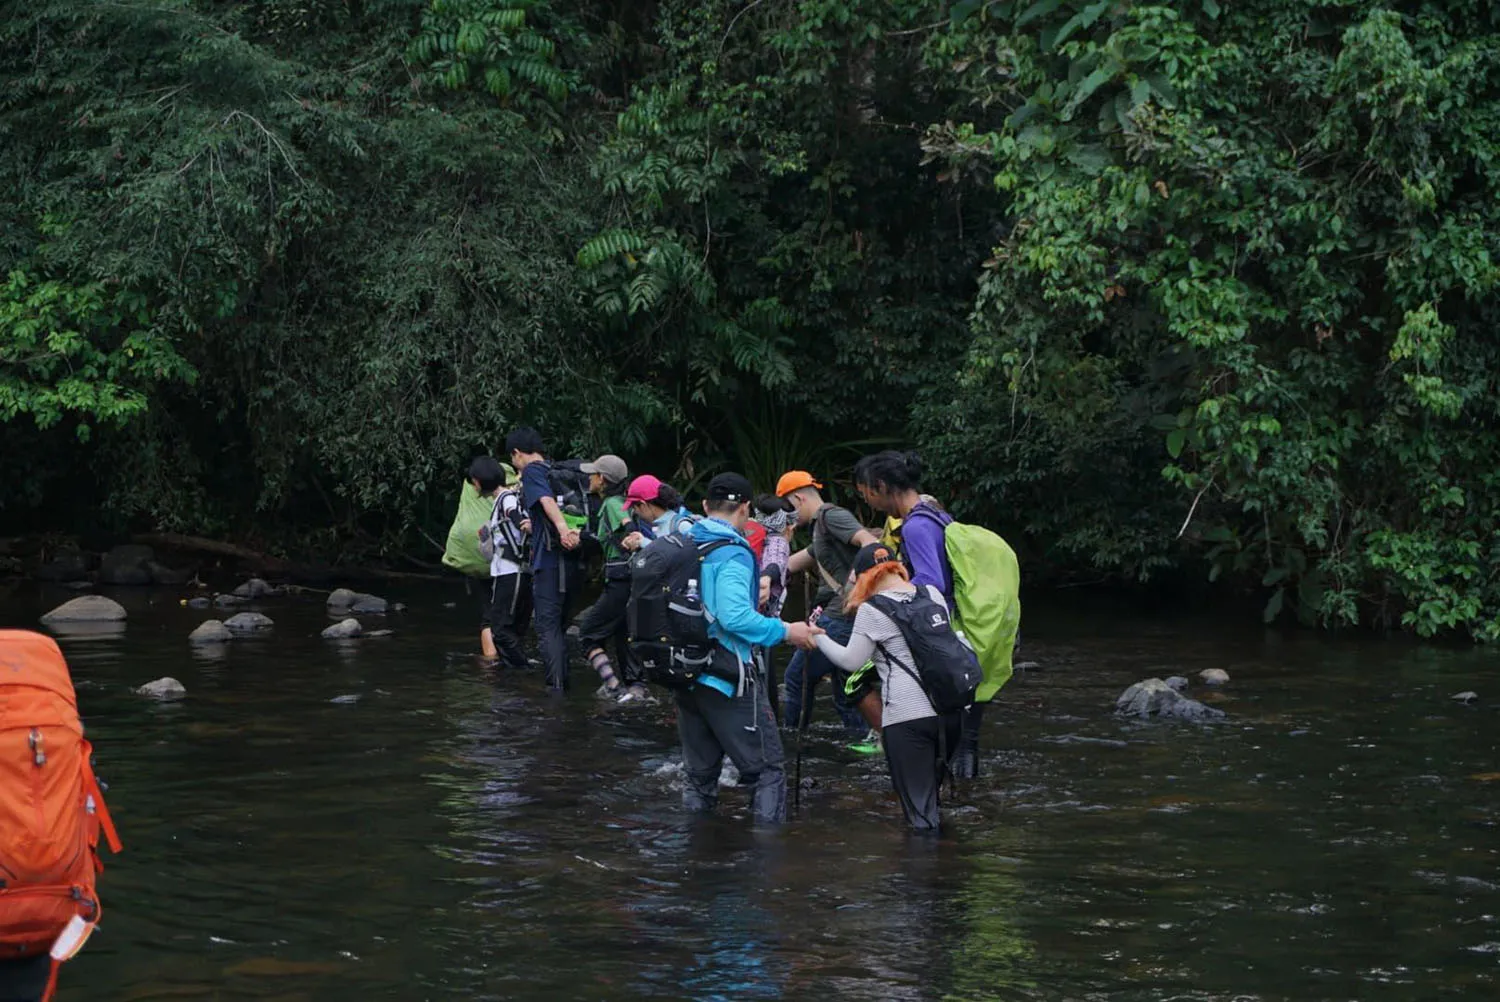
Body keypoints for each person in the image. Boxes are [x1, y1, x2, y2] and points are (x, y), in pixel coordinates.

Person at [676, 473, 821, 824]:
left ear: (706, 506)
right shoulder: (733, 552)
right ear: (745, 508)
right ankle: (767, 868)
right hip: (726, 675)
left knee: (699, 779)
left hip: (683, 671)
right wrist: (788, 630)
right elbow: (735, 617)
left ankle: (696, 862)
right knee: (767, 771)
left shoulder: (684, 542)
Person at [853, 450, 984, 779]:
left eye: (866, 491)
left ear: (881, 486)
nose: (867, 499)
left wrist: (889, 589)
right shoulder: (937, 515)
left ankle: (901, 749)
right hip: (953, 629)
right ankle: (951, 790)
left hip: (934, 632)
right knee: (962, 733)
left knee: (852, 681)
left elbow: (933, 583)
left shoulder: (915, 527)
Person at [813, 543, 961, 832]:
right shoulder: (931, 594)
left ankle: (921, 872)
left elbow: (852, 662)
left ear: (863, 577)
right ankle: (948, 869)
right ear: (896, 568)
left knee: (919, 815)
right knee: (935, 801)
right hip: (950, 711)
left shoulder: (872, 609)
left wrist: (818, 636)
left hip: (906, 717)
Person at [776, 470, 880, 750]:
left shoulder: (831, 516)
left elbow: (871, 543)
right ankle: (866, 743)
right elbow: (802, 559)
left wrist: (853, 582)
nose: (787, 517)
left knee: (797, 678)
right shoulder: (820, 528)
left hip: (841, 616)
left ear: (798, 499)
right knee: (844, 689)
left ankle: (791, 741)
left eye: (787, 509)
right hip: (843, 616)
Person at [507, 427, 581, 692]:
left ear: (517, 453)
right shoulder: (559, 471)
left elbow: (546, 500)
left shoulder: (533, 471)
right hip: (573, 561)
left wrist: (561, 530)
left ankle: (556, 691)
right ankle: (565, 686)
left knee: (547, 626)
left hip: (550, 560)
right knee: (559, 627)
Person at [570, 454, 648, 702]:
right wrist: (583, 536)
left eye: (593, 474)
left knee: (588, 635)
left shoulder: (614, 504)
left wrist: (631, 537)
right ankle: (636, 687)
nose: (589, 478)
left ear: (602, 479)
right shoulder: (624, 502)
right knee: (623, 635)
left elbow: (628, 530)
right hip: (630, 579)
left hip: (620, 581)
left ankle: (613, 685)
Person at [475, 457, 532, 668]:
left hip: (511, 572)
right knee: (513, 630)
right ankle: (515, 680)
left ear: (481, 481)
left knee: (500, 631)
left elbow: (511, 511)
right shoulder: (505, 497)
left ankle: (523, 672)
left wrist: (522, 524)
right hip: (513, 570)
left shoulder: (505, 497)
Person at [620, 475, 697, 551]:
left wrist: (643, 542)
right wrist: (639, 540)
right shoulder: (658, 526)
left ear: (643, 505)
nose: (636, 512)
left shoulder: (682, 525)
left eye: (634, 508)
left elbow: (690, 556)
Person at [752, 494, 795, 618]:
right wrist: (767, 576)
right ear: (790, 525)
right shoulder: (778, 540)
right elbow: (775, 560)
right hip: (762, 614)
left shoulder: (751, 536)